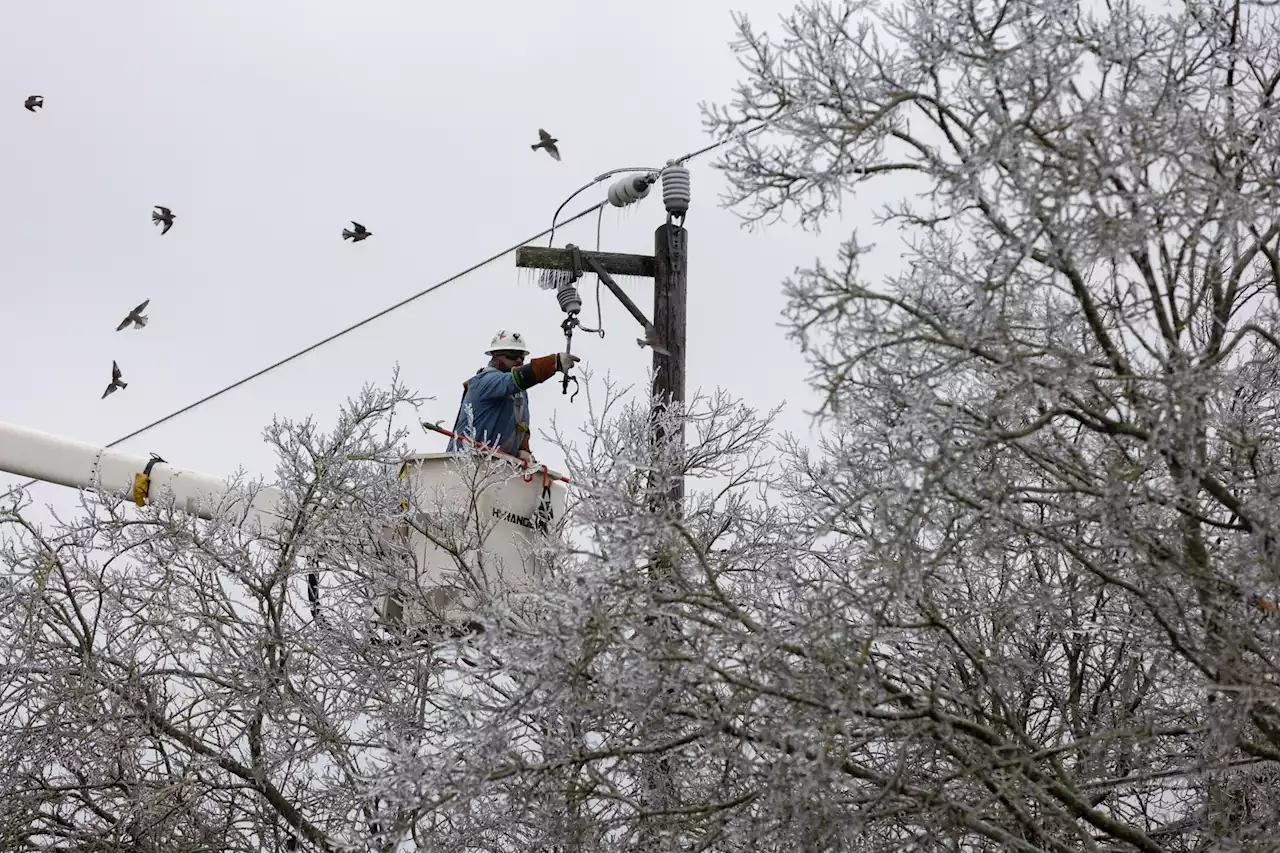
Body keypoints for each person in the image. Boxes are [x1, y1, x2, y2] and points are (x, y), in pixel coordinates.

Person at [448, 330, 581, 463]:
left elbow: (521, 423)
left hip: (498, 464)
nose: (518, 360)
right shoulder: (483, 382)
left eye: (521, 356)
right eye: (512, 355)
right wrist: (554, 362)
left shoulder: (520, 393)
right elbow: (515, 379)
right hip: (465, 462)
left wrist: (523, 448)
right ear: (495, 358)